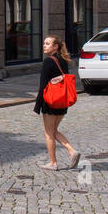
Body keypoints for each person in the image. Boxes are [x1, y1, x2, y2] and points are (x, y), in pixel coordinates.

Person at [33, 34, 80, 170]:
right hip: (62, 101)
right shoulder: (63, 60)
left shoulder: (49, 61)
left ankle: (53, 163)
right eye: (44, 43)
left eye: (48, 43)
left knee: (49, 133)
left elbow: (43, 85)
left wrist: (38, 105)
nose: (44, 45)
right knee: (54, 131)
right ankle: (72, 151)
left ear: (55, 47)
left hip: (51, 102)